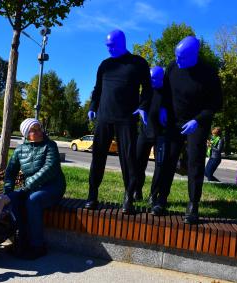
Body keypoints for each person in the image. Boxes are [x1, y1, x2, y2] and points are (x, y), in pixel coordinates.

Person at [153, 36, 223, 224]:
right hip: (174, 121)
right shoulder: (172, 67)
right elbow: (165, 93)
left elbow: (216, 104)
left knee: (195, 163)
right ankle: (161, 199)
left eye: (181, 57)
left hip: (196, 124)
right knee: (168, 160)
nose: (177, 60)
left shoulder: (208, 73)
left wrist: (197, 121)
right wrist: (162, 108)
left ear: (194, 55)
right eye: (176, 56)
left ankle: (193, 205)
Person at [85, 29, 152, 214]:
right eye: (107, 46)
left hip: (126, 118)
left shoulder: (138, 63)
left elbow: (148, 89)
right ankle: (92, 195)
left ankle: (128, 197)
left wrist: (143, 107)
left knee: (129, 159)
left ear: (122, 42)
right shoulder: (105, 65)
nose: (109, 49)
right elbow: (97, 89)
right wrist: (92, 107)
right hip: (104, 117)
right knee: (98, 156)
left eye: (112, 45)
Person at [3, 118, 66, 260]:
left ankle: (38, 246)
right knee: (12, 200)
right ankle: (21, 241)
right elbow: (10, 172)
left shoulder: (50, 145)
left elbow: (50, 168)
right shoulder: (20, 150)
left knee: (33, 200)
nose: (39, 132)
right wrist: (8, 191)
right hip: (31, 188)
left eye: (39, 128)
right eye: (34, 130)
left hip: (53, 187)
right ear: (26, 134)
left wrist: (27, 186)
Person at [135, 66, 168, 203]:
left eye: (154, 78)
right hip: (144, 133)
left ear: (162, 78)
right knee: (138, 163)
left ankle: (153, 194)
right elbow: (141, 103)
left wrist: (166, 109)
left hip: (161, 135)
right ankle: (137, 191)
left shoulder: (168, 92)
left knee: (160, 166)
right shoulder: (146, 89)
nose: (151, 80)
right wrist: (141, 108)